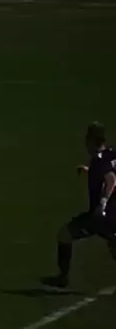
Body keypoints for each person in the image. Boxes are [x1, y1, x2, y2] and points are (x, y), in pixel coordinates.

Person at [42, 122, 116, 289]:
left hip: (100, 217)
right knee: (113, 247)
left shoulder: (99, 160)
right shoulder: (111, 154)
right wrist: (89, 171)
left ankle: (62, 278)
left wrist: (103, 203)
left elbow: (111, 179)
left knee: (64, 235)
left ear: (91, 140)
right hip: (111, 215)